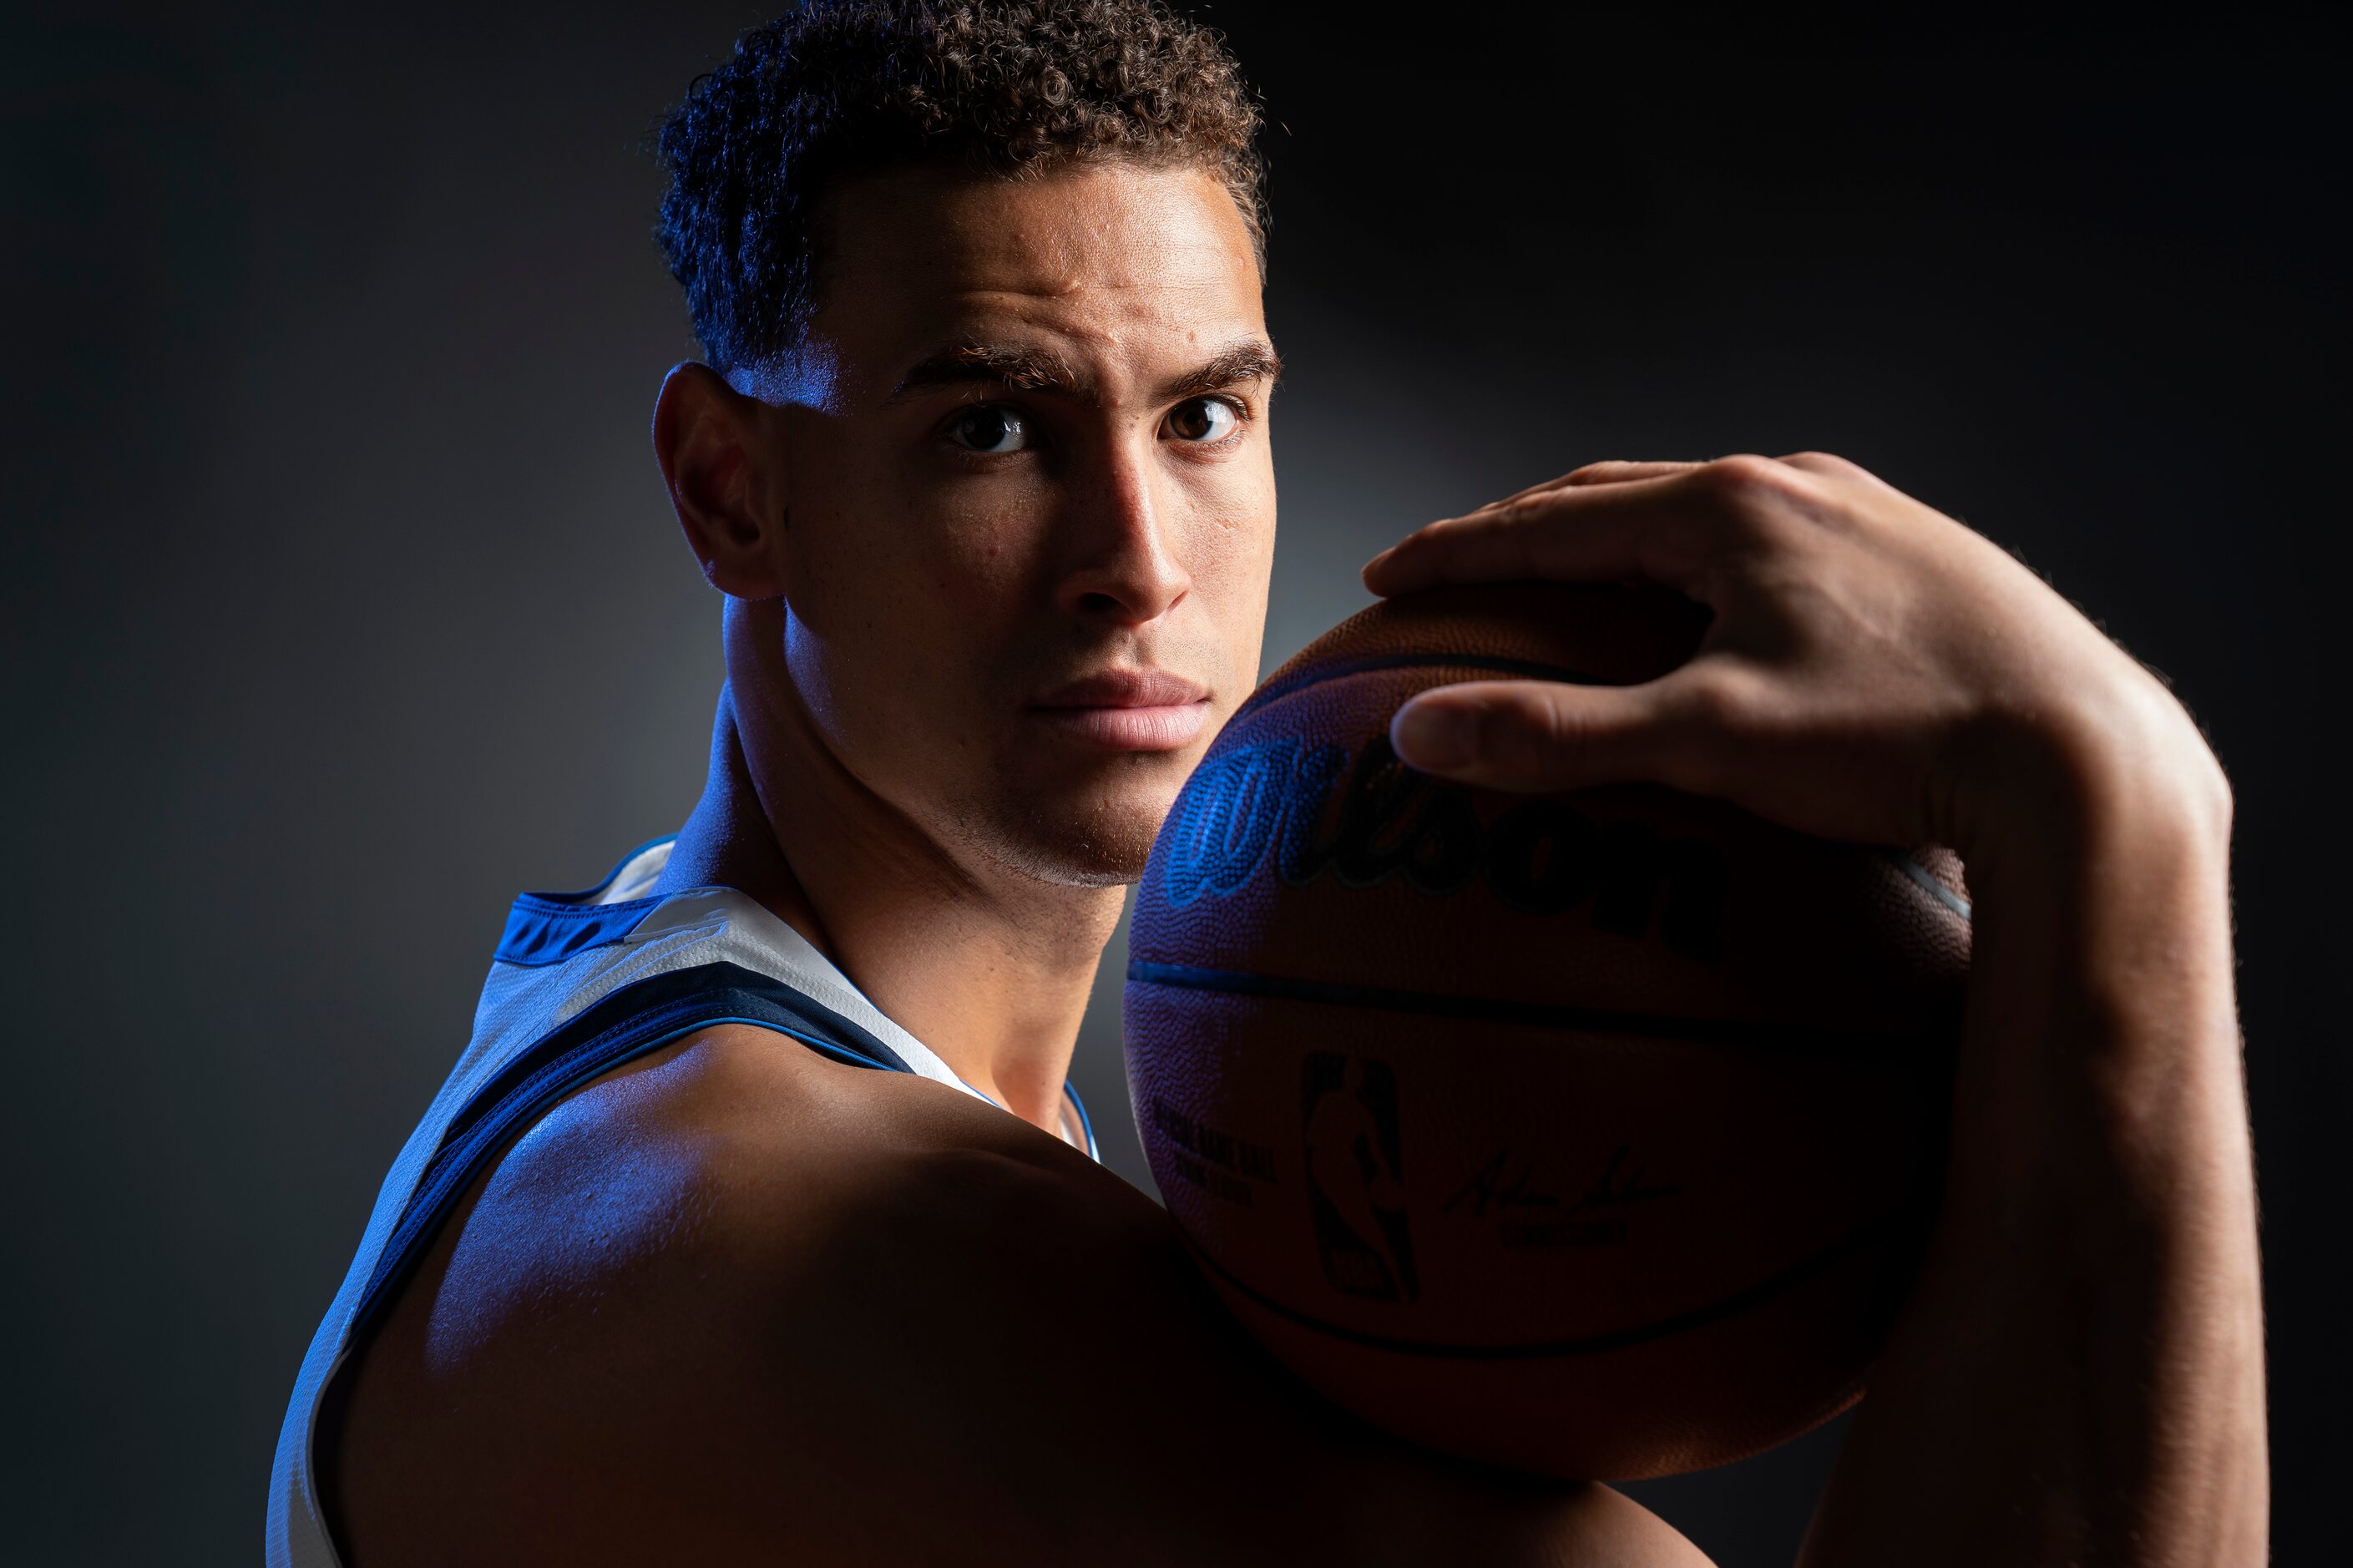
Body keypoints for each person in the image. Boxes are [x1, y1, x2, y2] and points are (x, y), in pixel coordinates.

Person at [266, 3, 2267, 1563]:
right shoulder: (747, 1218)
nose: (1137, 557)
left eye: (1203, 413)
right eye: (987, 429)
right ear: (731, 488)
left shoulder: (882, 1092)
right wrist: (2116, 811)